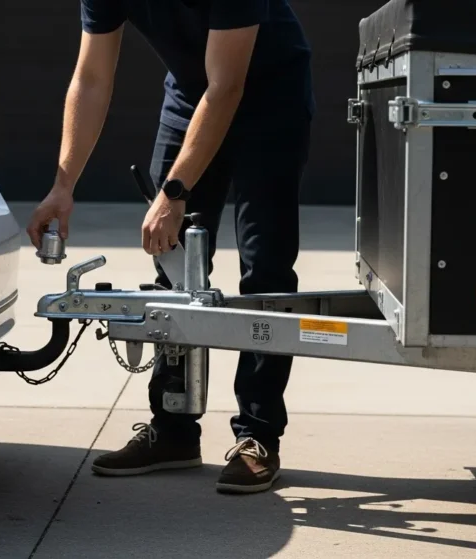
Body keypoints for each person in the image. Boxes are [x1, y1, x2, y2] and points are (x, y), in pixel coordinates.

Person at [26, 0, 314, 494]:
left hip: (270, 97)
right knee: (173, 266)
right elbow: (91, 78)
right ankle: (175, 429)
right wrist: (63, 184)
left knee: (264, 271)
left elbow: (228, 87)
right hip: (190, 93)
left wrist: (173, 192)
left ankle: (258, 435)